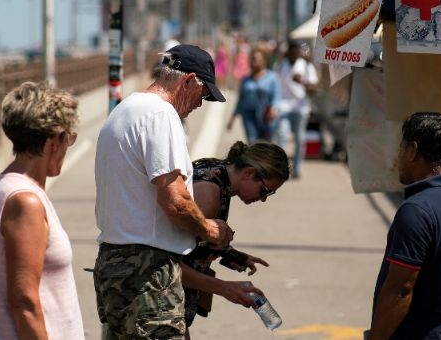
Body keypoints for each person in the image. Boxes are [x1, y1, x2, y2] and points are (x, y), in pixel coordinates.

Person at [94, 44, 234, 339]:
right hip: (148, 270)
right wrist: (209, 229)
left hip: (114, 262)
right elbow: (176, 200)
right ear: (187, 81)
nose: (200, 105)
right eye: (203, 94)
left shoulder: (125, 110)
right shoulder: (161, 115)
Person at [0, 82, 84, 339]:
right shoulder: (25, 202)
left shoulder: (10, 185)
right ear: (53, 140)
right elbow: (24, 302)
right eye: (69, 137)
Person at [368, 112, 441, 340]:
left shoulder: (417, 210)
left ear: (412, 150)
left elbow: (401, 290)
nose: (397, 157)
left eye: (401, 148)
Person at [180, 141, 290, 329]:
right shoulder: (209, 194)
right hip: (156, 301)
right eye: (265, 191)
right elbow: (167, 266)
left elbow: (196, 243)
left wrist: (231, 254)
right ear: (249, 173)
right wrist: (225, 288)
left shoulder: (219, 173)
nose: (263, 199)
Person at [272, 40, 318, 178]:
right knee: (282, 136)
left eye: (296, 51)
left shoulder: (306, 66)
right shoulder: (280, 65)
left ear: (298, 52)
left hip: (300, 107)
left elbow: (314, 89)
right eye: (291, 51)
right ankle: (282, 168)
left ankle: (297, 168)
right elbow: (275, 85)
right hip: (283, 106)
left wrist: (302, 82)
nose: (294, 54)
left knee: (299, 139)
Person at [227, 49, 280, 143]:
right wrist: (233, 118)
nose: (256, 62)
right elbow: (241, 99)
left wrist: (274, 108)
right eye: (254, 59)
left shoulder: (272, 78)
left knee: (265, 143)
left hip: (264, 115)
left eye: (259, 60)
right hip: (248, 114)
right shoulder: (246, 79)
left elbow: (276, 95)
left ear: (264, 61)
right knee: (252, 140)